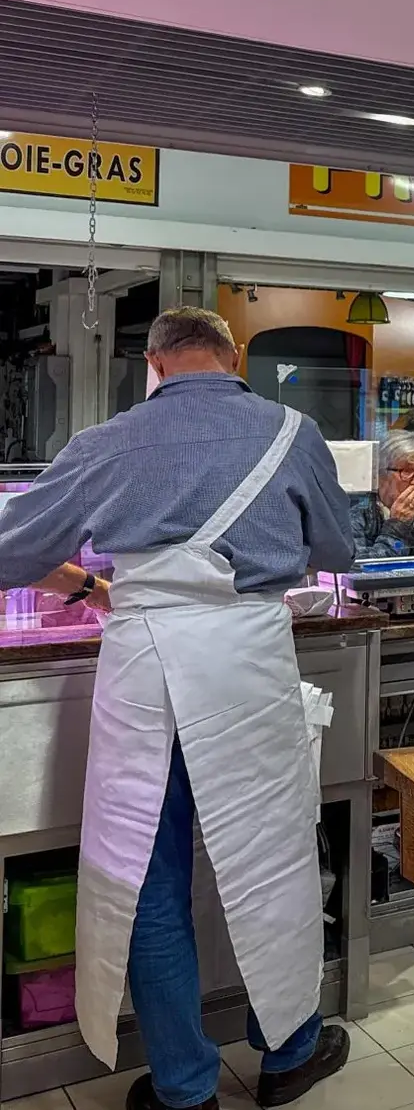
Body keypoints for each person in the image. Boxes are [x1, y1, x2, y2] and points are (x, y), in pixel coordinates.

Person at [0, 307, 356, 1110]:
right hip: (249, 666)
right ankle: (291, 1052)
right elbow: (338, 551)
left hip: (145, 668)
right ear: (234, 358)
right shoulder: (290, 431)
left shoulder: (104, 442)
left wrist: (92, 583)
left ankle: (184, 1084)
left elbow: (9, 549)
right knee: (273, 859)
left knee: (145, 876)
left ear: (153, 364)